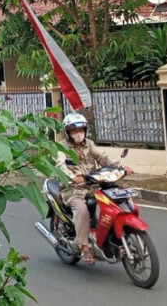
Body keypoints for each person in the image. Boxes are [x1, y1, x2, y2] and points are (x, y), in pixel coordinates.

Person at [55, 112, 133, 264]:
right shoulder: (62, 147)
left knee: (113, 196)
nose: (78, 134)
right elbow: (60, 165)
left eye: (81, 130)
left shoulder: (89, 144)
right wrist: (72, 177)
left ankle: (108, 235)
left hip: (92, 184)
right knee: (81, 209)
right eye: (74, 131)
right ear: (68, 132)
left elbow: (102, 157)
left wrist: (120, 167)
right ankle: (84, 247)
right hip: (72, 188)